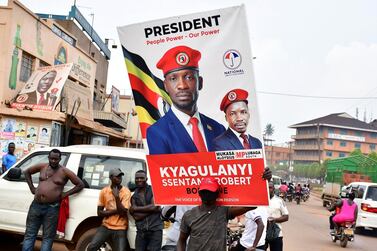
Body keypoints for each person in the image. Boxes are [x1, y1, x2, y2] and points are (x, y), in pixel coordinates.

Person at [146, 45, 226, 154]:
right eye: (173, 79)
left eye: (189, 77)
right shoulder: (157, 132)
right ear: (165, 86)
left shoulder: (219, 130)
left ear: (200, 83)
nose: (182, 85)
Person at [22, 149, 84, 251]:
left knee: (48, 237)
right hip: (36, 205)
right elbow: (27, 172)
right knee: (30, 233)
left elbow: (80, 184)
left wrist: (65, 194)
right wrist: (32, 188)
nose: (54, 161)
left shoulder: (64, 171)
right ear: (49, 158)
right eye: (52, 158)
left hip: (52, 208)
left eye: (56, 159)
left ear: (60, 159)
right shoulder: (42, 167)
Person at [177, 177, 261, 251]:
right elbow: (181, 240)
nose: (207, 194)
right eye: (204, 191)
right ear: (199, 193)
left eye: (210, 191)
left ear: (217, 193)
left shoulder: (224, 211)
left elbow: (251, 206)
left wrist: (262, 181)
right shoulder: (189, 215)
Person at [87, 168, 131, 251]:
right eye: (117, 176)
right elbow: (99, 213)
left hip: (120, 227)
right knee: (91, 247)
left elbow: (123, 213)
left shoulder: (126, 192)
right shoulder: (104, 191)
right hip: (106, 225)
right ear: (111, 178)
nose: (119, 178)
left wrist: (117, 197)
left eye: (120, 176)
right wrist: (117, 211)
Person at [130, 170, 163, 251]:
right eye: (137, 178)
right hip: (141, 232)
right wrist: (153, 209)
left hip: (155, 230)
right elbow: (136, 217)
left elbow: (154, 207)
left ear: (146, 179)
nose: (139, 180)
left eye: (141, 178)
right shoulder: (134, 196)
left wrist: (136, 208)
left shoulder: (153, 190)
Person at [265, 181, 289, 251]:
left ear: (274, 189)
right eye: (267, 187)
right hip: (262, 233)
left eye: (270, 187)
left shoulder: (279, 201)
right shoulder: (260, 201)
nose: (268, 189)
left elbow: (286, 216)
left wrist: (274, 220)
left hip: (276, 234)